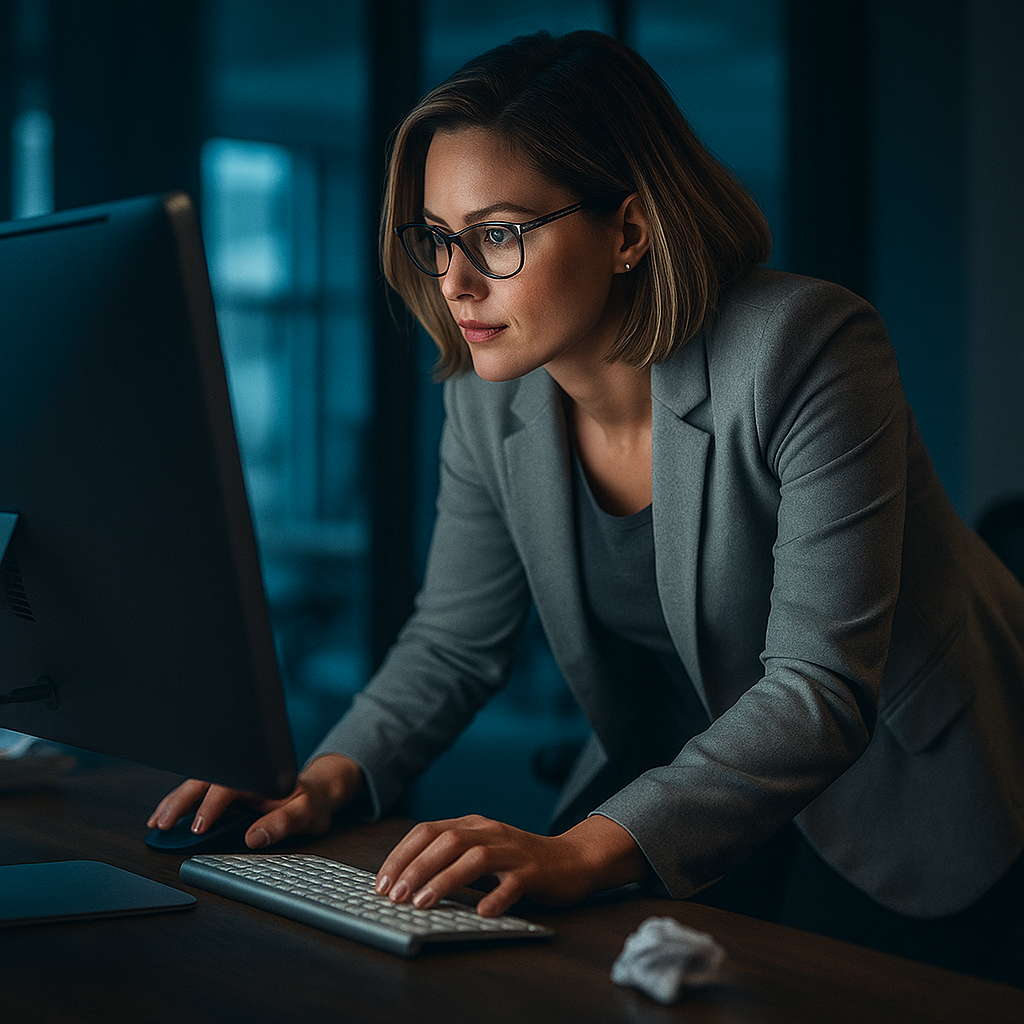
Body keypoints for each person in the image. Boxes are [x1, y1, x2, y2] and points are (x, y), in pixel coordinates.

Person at [150, 30, 1024, 983]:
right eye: (440, 237)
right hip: (690, 779)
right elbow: (453, 641)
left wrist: (576, 849)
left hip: (901, 781)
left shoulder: (807, 349)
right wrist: (321, 780)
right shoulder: (485, 400)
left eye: (497, 234)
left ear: (629, 231)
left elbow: (816, 690)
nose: (455, 282)